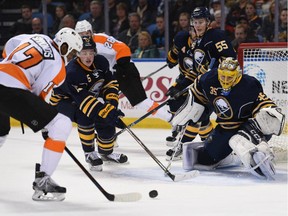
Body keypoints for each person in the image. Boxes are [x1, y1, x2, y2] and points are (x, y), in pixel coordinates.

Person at [0, 27, 83, 201]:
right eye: (72, 52)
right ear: (64, 45)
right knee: (61, 124)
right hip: (10, 91)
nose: (71, 57)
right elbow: (39, 95)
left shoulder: (39, 37)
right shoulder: (58, 66)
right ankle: (43, 180)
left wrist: (9, 61)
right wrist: (47, 126)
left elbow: (11, 43)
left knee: (1, 131)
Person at [171, 57, 285, 180]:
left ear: (237, 75)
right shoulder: (208, 79)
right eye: (222, 77)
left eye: (229, 77)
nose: (225, 80)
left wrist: (270, 112)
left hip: (249, 127)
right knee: (205, 160)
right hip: (226, 128)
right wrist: (193, 110)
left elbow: (263, 104)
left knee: (237, 140)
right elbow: (199, 98)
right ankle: (233, 158)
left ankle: (262, 151)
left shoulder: (249, 85)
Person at [165, 7, 236, 159]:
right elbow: (195, 72)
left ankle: (192, 147)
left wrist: (216, 72)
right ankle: (193, 146)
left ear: (208, 22)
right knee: (197, 117)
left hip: (220, 87)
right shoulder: (198, 42)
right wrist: (180, 86)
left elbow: (230, 59)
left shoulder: (217, 36)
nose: (197, 25)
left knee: (200, 116)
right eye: (195, 22)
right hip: (204, 88)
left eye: (201, 22)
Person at [49, 36, 128, 171]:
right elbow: (84, 101)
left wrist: (112, 105)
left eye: (91, 52)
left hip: (86, 98)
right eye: (84, 53)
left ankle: (106, 153)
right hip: (64, 101)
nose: (88, 57)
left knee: (106, 118)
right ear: (77, 54)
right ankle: (89, 153)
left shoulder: (101, 62)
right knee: (85, 115)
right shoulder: (72, 72)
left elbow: (110, 84)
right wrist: (107, 112)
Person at [74, 20, 172, 123]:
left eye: (87, 33)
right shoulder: (78, 46)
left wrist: (121, 70)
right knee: (99, 100)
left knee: (140, 102)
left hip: (124, 69)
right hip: (109, 74)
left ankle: (170, 118)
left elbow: (123, 49)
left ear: (91, 32)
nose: (84, 36)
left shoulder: (100, 39)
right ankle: (105, 127)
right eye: (81, 34)